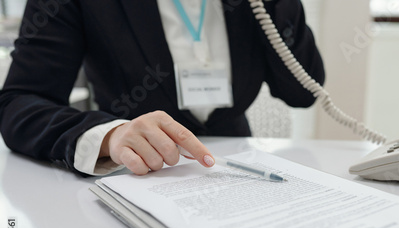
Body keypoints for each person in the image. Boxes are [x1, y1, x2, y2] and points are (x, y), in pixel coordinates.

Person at [0, 0, 324, 176]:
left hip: (237, 173)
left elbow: (302, 90)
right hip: (134, 175)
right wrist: (110, 136)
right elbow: (20, 102)